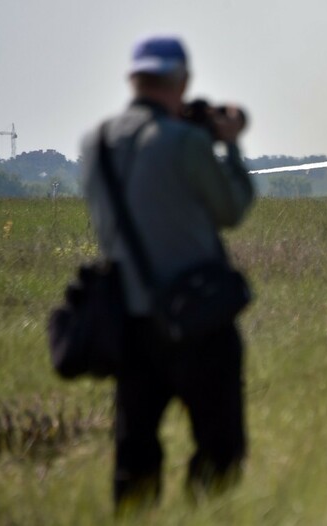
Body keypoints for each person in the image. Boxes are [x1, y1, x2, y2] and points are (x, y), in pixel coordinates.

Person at [81, 35, 253, 511]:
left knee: (134, 452)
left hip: (129, 323)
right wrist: (231, 147)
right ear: (183, 81)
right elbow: (231, 209)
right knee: (221, 448)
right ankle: (199, 515)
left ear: (132, 79)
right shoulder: (184, 142)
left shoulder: (95, 144)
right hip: (198, 320)